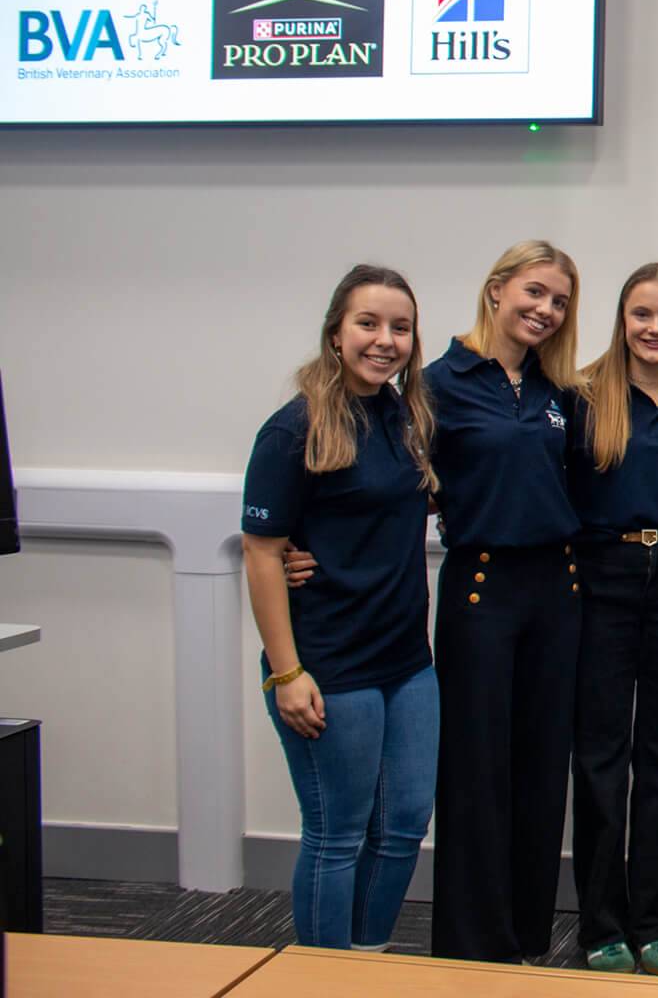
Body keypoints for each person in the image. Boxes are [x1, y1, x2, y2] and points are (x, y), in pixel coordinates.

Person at [241, 264, 439, 952]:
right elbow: (262, 551)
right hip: (328, 664)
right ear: (335, 333)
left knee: (405, 824)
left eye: (400, 328)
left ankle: (367, 961)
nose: (385, 341)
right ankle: (320, 980)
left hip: (407, 662)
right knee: (338, 834)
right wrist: (288, 673)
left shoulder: (404, 414)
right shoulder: (293, 429)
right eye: (368, 324)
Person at [425, 240, 584, 961]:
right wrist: (301, 549)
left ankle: (526, 938)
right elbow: (377, 478)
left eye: (558, 301)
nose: (546, 310)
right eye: (535, 293)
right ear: (496, 290)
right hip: (481, 589)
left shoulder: (558, 393)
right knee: (475, 771)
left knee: (543, 770)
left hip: (556, 590)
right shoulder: (438, 384)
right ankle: (471, 945)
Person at [568, 263, 658, 976]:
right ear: (622, 319)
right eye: (642, 314)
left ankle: (657, 920)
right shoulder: (582, 394)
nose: (656, 329)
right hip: (603, 576)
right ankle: (600, 924)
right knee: (600, 756)